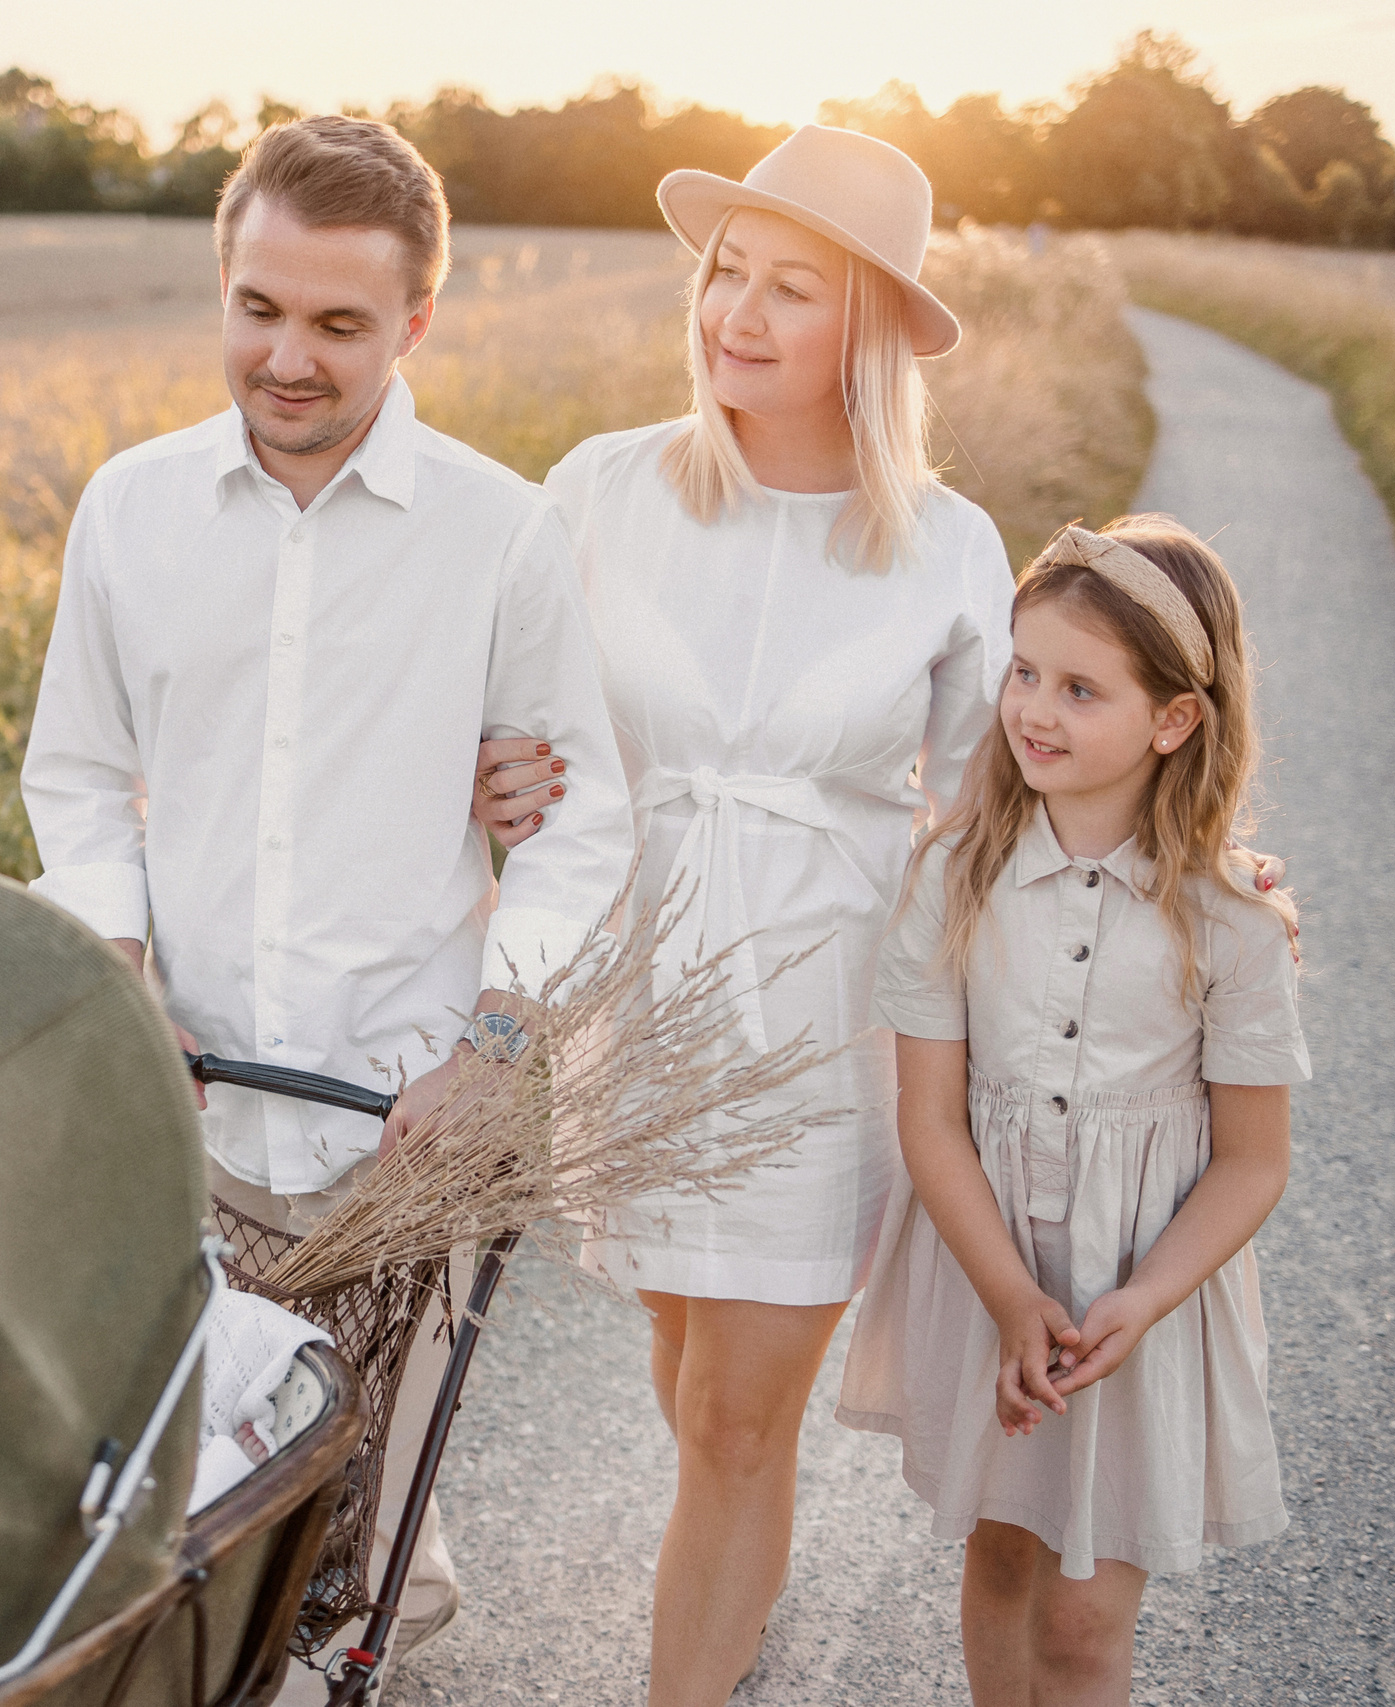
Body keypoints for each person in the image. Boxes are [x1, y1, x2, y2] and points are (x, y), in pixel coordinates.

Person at [20, 116, 634, 1664]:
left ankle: (376, 1613)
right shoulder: (132, 510)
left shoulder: (503, 534)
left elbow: (581, 817)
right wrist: (118, 970)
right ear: (225, 286)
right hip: (189, 1120)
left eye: (339, 324)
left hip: (406, 1129)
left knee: (351, 1526)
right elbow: (79, 777)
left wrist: (498, 1045)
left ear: (416, 321)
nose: (287, 357)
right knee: (190, 1525)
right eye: (259, 309)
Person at [475, 125, 1011, 1704]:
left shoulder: (947, 545)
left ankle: (694, 1662)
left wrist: (1205, 872)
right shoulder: (600, 489)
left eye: (792, 288)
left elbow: (1005, 806)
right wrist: (495, 770)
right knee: (683, 1344)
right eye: (726, 273)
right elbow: (503, 708)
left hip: (822, 1013)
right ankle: (741, 1564)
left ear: (870, 333)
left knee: (729, 1413)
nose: (738, 313)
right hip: (637, 999)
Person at [836, 517, 1307, 1706]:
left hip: (1138, 1290)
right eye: (1025, 670)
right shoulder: (952, 877)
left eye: (1081, 688)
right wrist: (1007, 1300)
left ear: (1172, 720)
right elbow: (928, 1119)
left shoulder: (1232, 919)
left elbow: (1252, 1162)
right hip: (990, 1265)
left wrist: (1142, 1300)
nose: (1035, 709)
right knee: (998, 1551)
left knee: (1087, 1624)